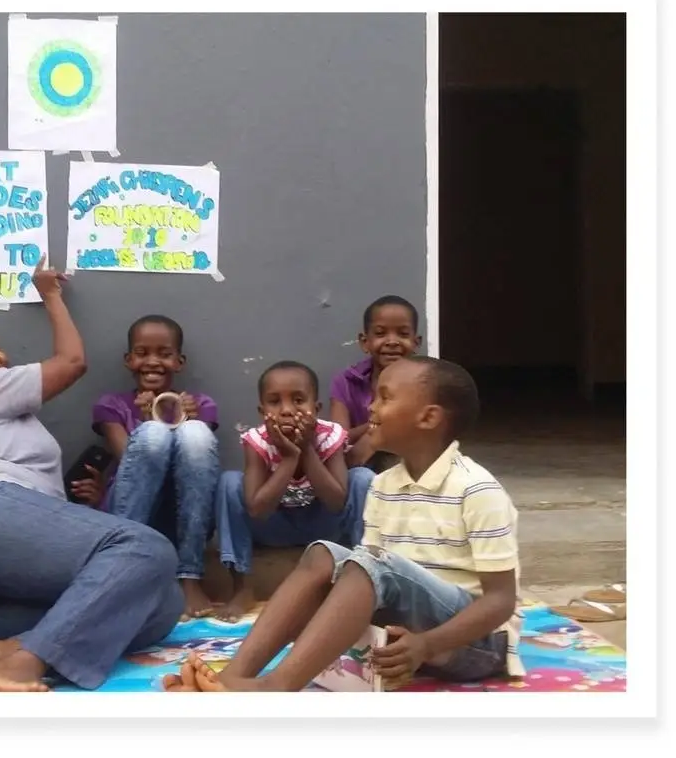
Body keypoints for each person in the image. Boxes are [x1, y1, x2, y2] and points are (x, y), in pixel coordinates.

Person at [166, 356, 523, 692]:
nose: (370, 408)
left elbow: (502, 601)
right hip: (405, 638)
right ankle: (231, 679)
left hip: (475, 645)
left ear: (428, 418)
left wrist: (427, 645)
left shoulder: (476, 490)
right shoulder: (384, 485)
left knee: (372, 563)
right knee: (323, 554)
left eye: (384, 397)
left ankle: (275, 687)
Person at [0, 259, 184, 693]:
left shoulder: (1, 415)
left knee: (160, 605)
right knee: (145, 547)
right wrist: (49, 293)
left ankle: (1, 650)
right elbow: (71, 361)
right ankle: (22, 667)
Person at [214, 360, 374, 622]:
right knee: (230, 482)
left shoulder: (330, 435)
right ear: (261, 410)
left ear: (316, 408)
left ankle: (362, 581)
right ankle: (242, 586)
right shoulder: (257, 441)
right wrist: (289, 458)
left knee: (362, 479)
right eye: (274, 402)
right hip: (274, 527)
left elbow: (337, 502)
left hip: (325, 527)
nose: (287, 410)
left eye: (299, 400)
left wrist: (307, 449)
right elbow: (256, 508)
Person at [87, 314, 220, 620]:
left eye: (165, 353)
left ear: (180, 361)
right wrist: (150, 420)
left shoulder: (199, 404)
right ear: (128, 359)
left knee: (195, 433)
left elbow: (194, 470)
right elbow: (129, 459)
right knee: (152, 434)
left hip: (179, 513)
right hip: (133, 511)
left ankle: (189, 576)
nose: (153, 362)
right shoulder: (111, 405)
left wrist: (185, 417)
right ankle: (123, 571)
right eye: (142, 353)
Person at [330, 295, 422, 472]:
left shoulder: (425, 383)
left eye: (403, 334)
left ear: (416, 343)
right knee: (360, 475)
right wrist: (375, 425)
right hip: (359, 469)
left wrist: (374, 435)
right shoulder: (345, 382)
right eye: (380, 333)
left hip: (406, 462)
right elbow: (337, 441)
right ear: (365, 342)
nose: (392, 341)